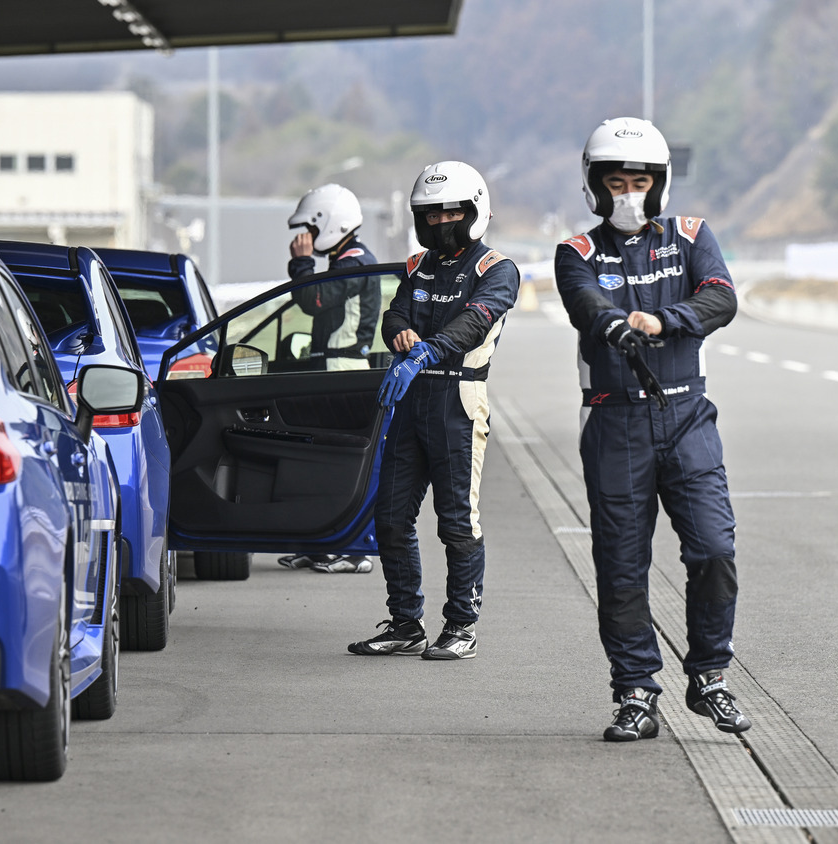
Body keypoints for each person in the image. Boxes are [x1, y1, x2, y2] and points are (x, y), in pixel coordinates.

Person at [553, 117, 752, 741]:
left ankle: (710, 676)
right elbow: (585, 303)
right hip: (616, 421)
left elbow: (722, 297)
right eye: (616, 181)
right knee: (621, 566)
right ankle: (635, 691)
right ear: (594, 185)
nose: (629, 192)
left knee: (715, 548)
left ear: (660, 183)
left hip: (688, 414)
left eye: (640, 180)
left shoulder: (692, 236)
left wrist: (668, 321)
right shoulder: (575, 253)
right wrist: (614, 325)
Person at [346, 161, 520, 660]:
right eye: (431, 213)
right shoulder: (418, 265)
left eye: (452, 211)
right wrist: (398, 332)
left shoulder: (497, 269)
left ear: (474, 211)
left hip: (458, 400)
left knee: (457, 521)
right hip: (411, 398)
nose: (442, 221)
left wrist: (426, 350)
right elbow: (395, 311)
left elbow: (476, 319)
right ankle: (405, 623)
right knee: (391, 516)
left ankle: (461, 625)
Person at [276, 183, 381, 575]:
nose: (306, 238)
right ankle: (323, 543)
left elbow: (312, 300)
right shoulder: (345, 260)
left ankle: (354, 550)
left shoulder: (354, 262)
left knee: (342, 463)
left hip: (344, 372)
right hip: (331, 369)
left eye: (311, 230)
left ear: (329, 224)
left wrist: (301, 263)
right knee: (322, 460)